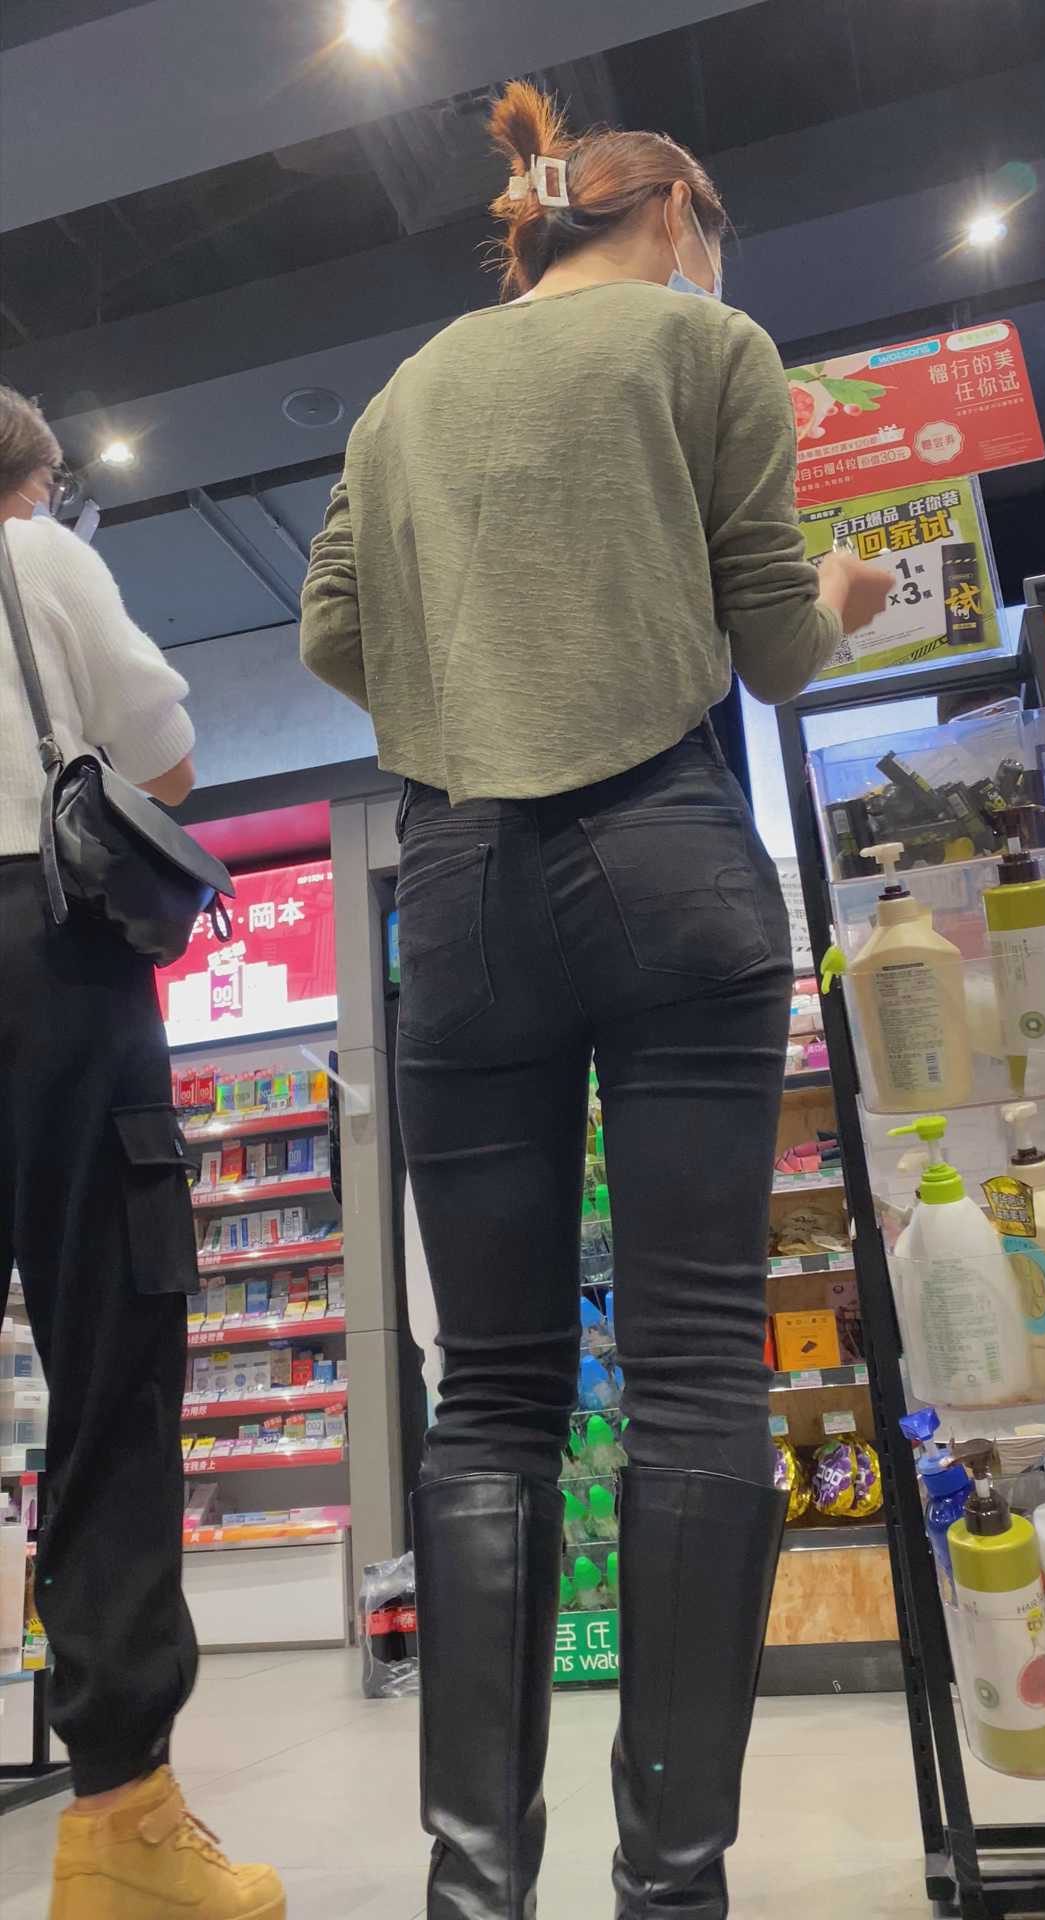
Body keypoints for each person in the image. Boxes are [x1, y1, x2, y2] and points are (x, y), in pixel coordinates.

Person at [301, 83, 890, 1920]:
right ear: (677, 217)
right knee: (700, 1368)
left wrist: (473, 690)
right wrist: (850, 594)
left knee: (488, 1398)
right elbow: (777, 645)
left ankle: (475, 1893)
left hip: (460, 881)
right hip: (671, 859)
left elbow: (330, 632)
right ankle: (674, 1890)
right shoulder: (708, 345)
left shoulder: (402, 395)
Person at [0, 385, 284, 1920]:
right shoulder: (37, 559)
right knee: (111, 1380)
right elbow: (161, 765)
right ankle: (120, 1828)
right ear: (33, 485)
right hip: (46, 964)